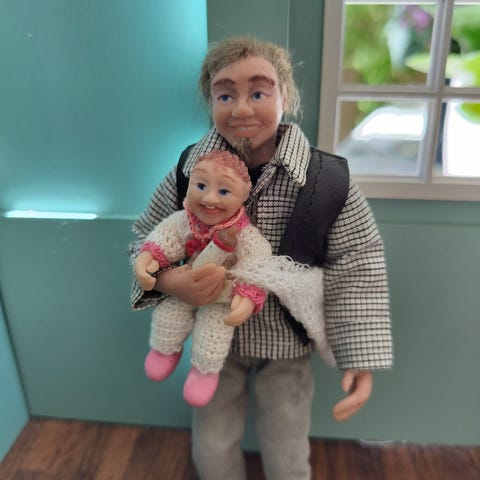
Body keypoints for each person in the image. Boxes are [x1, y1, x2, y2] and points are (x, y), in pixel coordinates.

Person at [129, 36, 393, 480]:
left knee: (287, 451)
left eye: (258, 92)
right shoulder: (190, 171)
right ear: (210, 101)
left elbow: (357, 265)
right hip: (213, 346)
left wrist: (358, 354)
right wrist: (171, 281)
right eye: (225, 95)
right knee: (211, 447)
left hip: (287, 342)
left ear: (284, 95)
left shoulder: (325, 179)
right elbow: (147, 237)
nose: (241, 109)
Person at [134, 149, 270, 407]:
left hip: (222, 293)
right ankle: (164, 349)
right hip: (186, 279)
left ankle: (204, 371)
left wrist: (249, 293)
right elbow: (168, 234)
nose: (209, 198)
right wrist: (150, 256)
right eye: (201, 185)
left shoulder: (243, 233)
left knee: (214, 332)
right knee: (168, 315)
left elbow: (258, 258)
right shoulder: (186, 220)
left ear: (244, 195)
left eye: (224, 191)